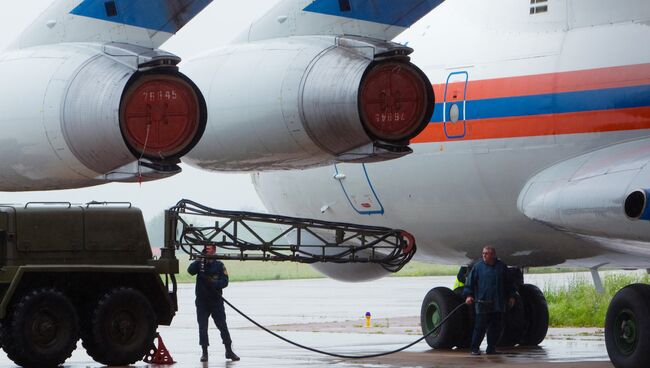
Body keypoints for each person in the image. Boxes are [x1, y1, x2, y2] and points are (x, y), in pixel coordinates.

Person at [188, 245, 240, 362]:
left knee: (222, 326)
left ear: (214, 250)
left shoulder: (219, 265)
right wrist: (199, 259)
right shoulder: (200, 264)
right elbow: (190, 271)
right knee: (203, 327)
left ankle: (229, 350)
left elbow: (225, 281)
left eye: (210, 248)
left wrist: (213, 283)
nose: (208, 250)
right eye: (206, 248)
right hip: (202, 302)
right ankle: (204, 352)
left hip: (216, 301)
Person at [463, 246, 516, 355]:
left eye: (487, 253)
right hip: (482, 304)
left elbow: (509, 284)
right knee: (480, 328)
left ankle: (491, 348)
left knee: (496, 328)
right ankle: (474, 348)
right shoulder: (478, 267)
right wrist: (468, 295)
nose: (484, 255)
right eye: (483, 253)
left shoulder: (502, 267)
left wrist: (511, 296)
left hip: (498, 304)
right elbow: (470, 283)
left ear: (493, 255)